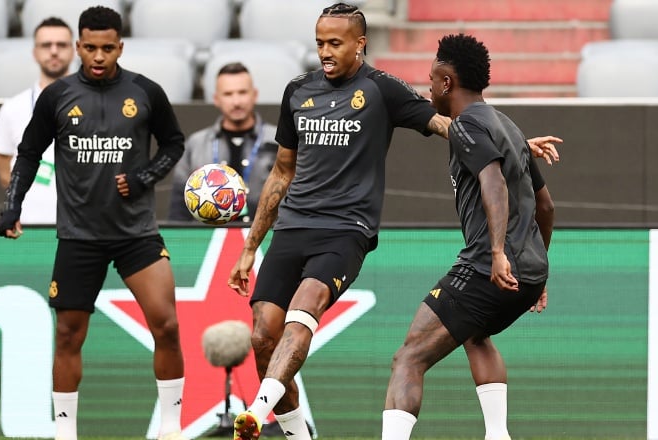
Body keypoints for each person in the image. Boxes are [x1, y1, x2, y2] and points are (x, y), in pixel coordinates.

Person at [226, 4, 560, 440]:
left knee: (389, 348)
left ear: (360, 43)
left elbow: (449, 127)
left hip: (347, 232)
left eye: (335, 43)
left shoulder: (384, 90)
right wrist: (251, 246)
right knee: (263, 337)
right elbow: (283, 170)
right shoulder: (297, 91)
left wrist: (501, 145)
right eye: (320, 43)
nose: (325, 52)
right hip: (293, 228)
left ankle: (256, 409)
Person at [0, 6, 187, 440]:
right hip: (80, 236)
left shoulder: (146, 92)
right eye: (90, 48)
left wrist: (143, 178)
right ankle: (66, 433)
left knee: (168, 325)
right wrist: (13, 205)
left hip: (136, 233)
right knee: (67, 334)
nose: (98, 56)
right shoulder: (58, 96)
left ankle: (171, 428)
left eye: (107, 48)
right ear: (78, 47)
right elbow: (26, 153)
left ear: (120, 47)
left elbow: (173, 144)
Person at [380, 34, 555, 440]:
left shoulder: (465, 126)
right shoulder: (508, 125)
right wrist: (536, 270)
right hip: (528, 273)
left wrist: (497, 253)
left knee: (408, 357)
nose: (427, 87)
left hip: (486, 268)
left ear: (446, 83)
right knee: (476, 333)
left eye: (431, 79)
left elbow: (493, 182)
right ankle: (498, 435)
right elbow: (545, 207)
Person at [168, 62, 277, 223]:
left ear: (254, 95)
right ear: (216, 99)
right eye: (228, 94)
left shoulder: (279, 140)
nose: (236, 101)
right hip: (208, 241)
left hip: (266, 238)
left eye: (242, 92)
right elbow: (179, 206)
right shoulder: (196, 143)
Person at [0, 17, 74, 224]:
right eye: (46, 45)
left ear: (74, 50)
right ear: (35, 52)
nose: (54, 51)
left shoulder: (95, 104)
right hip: (30, 225)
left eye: (61, 45)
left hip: (82, 228)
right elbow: (4, 173)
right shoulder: (12, 108)